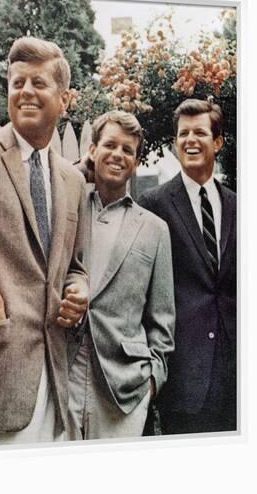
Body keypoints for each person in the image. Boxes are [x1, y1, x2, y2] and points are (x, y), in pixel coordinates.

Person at [0, 37, 89, 447]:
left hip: (52, 387)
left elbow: (74, 264)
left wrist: (79, 289)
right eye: (17, 82)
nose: (25, 91)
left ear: (65, 98)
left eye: (38, 83)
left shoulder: (74, 180)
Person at [67, 110, 175, 440]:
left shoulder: (155, 229)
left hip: (123, 389)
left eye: (127, 150)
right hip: (63, 374)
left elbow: (162, 319)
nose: (117, 155)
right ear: (92, 150)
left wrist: (152, 380)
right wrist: (79, 171)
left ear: (136, 161)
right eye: (109, 145)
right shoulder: (67, 206)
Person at [138, 98, 236, 435]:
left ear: (218, 142)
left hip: (238, 378)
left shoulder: (239, 206)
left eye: (200, 132)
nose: (190, 140)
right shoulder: (154, 204)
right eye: (183, 134)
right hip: (185, 377)